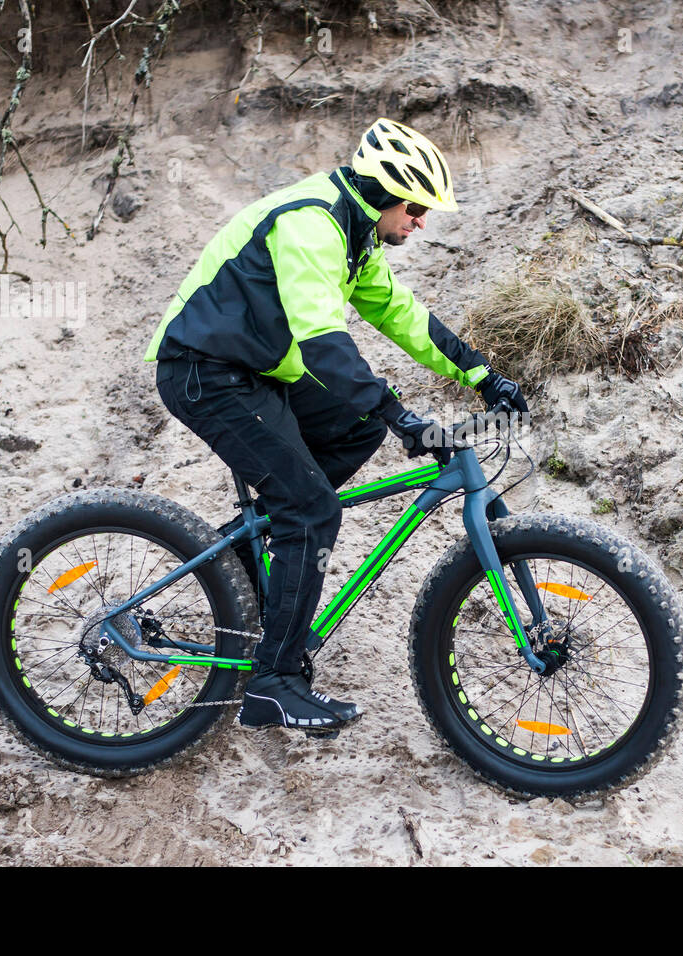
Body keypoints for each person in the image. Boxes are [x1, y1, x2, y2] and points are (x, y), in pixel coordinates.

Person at [144, 118, 529, 733]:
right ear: (386, 192)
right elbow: (324, 343)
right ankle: (273, 682)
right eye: (416, 208)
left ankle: (251, 549)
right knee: (313, 510)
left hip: (257, 371)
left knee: (356, 428)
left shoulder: (356, 233)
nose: (420, 222)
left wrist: (481, 374)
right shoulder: (311, 224)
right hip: (205, 372)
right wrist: (400, 413)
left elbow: (398, 313)